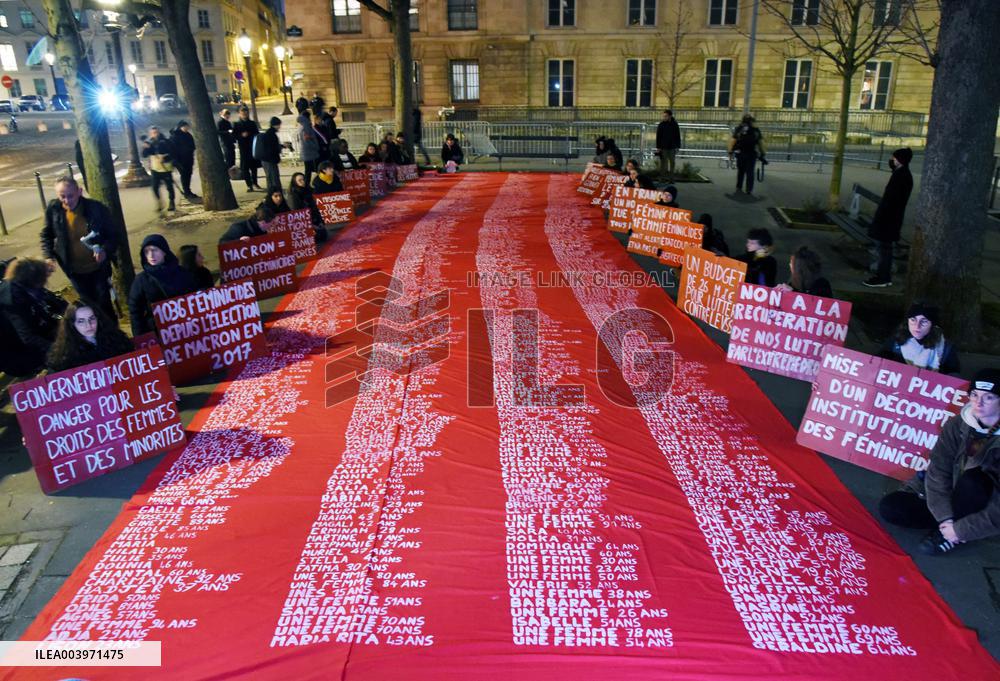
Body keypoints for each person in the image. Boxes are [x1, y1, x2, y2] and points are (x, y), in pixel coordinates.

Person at [878, 369, 1000, 555]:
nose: (978, 403)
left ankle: (954, 535)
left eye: (989, 397)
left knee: (974, 480)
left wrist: (961, 530)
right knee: (891, 507)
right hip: (950, 493)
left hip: (981, 505)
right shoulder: (958, 423)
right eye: (974, 394)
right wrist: (945, 517)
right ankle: (948, 528)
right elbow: (938, 469)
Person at [41, 176, 117, 319]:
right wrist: (48, 257)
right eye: (62, 196)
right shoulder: (54, 209)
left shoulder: (96, 209)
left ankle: (112, 333)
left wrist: (105, 250)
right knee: (88, 304)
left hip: (98, 268)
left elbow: (112, 235)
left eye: (70, 196)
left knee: (104, 303)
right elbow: (46, 234)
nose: (67, 201)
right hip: (74, 270)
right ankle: (95, 335)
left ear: (79, 192)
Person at [0, 258, 67, 376]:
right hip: (15, 353)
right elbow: (28, 337)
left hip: (28, 337)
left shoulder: (21, 284)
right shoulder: (12, 300)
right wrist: (58, 350)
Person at [127, 234, 197, 336]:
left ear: (164, 251)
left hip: (186, 329)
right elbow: (135, 311)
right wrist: (140, 339)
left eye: (154, 250)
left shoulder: (182, 273)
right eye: (146, 251)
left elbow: (195, 297)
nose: (151, 255)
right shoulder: (141, 280)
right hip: (158, 334)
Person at [864, 147, 914, 288]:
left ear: (900, 160)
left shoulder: (901, 176)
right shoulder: (902, 174)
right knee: (884, 249)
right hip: (890, 220)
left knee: (884, 250)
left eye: (895, 158)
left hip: (888, 220)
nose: (892, 160)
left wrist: (881, 218)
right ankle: (883, 276)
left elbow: (893, 199)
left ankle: (883, 277)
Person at [46, 302, 133, 373]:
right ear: (72, 325)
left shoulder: (116, 340)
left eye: (92, 319)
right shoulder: (65, 354)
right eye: (81, 321)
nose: (88, 325)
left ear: (98, 319)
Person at [878, 302, 960, 373]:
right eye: (913, 319)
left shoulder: (946, 349)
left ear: (933, 324)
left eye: (924, 321)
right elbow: (876, 363)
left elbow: (954, 376)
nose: (917, 326)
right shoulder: (896, 340)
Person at [140, 126, 176, 212]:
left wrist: (165, 158)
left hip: (166, 168)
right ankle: (159, 202)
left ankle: (171, 202)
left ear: (159, 132)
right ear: (150, 134)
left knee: (169, 186)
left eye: (156, 132)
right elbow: (144, 155)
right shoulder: (149, 143)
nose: (154, 134)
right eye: (152, 133)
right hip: (155, 168)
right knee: (155, 187)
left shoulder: (166, 142)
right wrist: (145, 148)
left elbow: (173, 153)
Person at [728, 114, 765, 196]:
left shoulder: (739, 128)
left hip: (740, 153)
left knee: (741, 171)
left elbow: (733, 140)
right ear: (752, 121)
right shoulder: (755, 130)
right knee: (750, 172)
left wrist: (730, 151)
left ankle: (739, 187)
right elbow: (761, 143)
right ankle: (749, 190)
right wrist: (763, 153)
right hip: (751, 153)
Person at [233, 106, 262, 192]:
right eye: (242, 112)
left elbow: (256, 133)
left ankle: (255, 182)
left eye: (246, 112)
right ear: (239, 113)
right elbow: (234, 136)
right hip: (243, 148)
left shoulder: (252, 123)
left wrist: (251, 135)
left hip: (252, 147)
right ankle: (249, 185)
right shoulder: (237, 124)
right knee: (245, 168)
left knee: (254, 167)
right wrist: (241, 136)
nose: (245, 114)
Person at [254, 116, 284, 192]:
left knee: (270, 177)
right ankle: (275, 192)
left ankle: (272, 192)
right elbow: (273, 148)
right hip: (270, 160)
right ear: (276, 125)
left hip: (266, 159)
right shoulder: (271, 134)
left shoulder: (269, 133)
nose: (280, 127)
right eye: (279, 125)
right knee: (274, 178)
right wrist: (280, 148)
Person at [170, 120, 198, 200]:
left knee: (188, 175)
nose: (187, 128)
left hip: (188, 158)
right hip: (180, 160)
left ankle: (188, 191)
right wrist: (175, 160)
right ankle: (187, 191)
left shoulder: (188, 135)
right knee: (184, 175)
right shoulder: (175, 136)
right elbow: (173, 149)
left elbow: (193, 145)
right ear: (180, 127)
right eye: (185, 127)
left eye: (187, 126)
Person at [296, 111, 320, 186]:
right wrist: (316, 147)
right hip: (310, 152)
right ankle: (308, 185)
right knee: (311, 170)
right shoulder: (306, 127)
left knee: (309, 170)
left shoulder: (302, 126)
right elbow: (307, 140)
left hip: (306, 152)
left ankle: (307, 185)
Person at [655, 110, 682, 176]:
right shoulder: (661, 125)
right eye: (663, 116)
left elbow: (677, 136)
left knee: (672, 163)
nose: (664, 118)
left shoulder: (674, 124)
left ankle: (671, 179)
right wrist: (658, 147)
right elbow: (658, 137)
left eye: (665, 116)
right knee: (664, 164)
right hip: (663, 147)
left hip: (672, 147)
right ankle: (662, 179)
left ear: (670, 116)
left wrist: (678, 146)